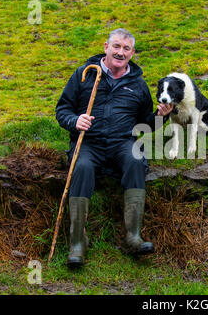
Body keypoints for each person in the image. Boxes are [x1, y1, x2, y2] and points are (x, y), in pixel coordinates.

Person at [56, 28, 173, 268]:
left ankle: (132, 237)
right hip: (88, 143)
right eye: (116, 46)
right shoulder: (84, 75)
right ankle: (77, 242)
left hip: (122, 142)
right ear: (106, 47)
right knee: (82, 166)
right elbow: (63, 109)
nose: (120, 52)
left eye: (126, 48)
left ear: (132, 53)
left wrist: (161, 117)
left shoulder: (138, 85)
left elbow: (145, 125)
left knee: (135, 159)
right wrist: (75, 121)